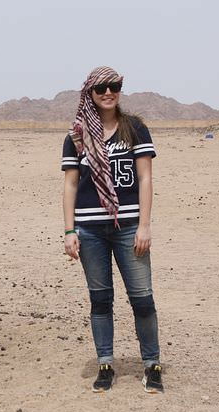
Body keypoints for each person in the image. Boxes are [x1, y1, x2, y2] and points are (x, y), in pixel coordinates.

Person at [61, 66, 163, 394]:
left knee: (142, 299)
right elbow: (70, 185)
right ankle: (105, 363)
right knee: (100, 301)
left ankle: (152, 364)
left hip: (128, 226)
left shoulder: (135, 129)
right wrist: (69, 231)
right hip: (89, 230)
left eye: (114, 86)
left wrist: (144, 225)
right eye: (101, 88)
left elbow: (145, 178)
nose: (108, 93)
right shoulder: (76, 137)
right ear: (89, 93)